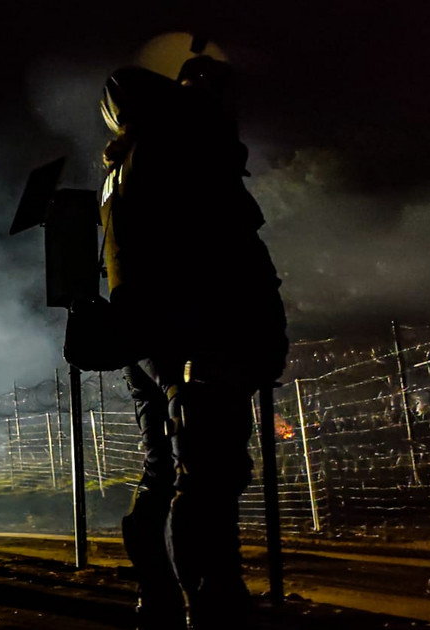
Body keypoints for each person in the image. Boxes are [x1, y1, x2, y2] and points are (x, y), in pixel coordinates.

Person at [97, 55, 288, 630]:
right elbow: (219, 257)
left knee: (169, 474)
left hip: (156, 342)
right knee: (208, 481)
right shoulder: (173, 151)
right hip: (198, 340)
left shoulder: (125, 165)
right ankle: (215, 606)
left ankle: (163, 596)